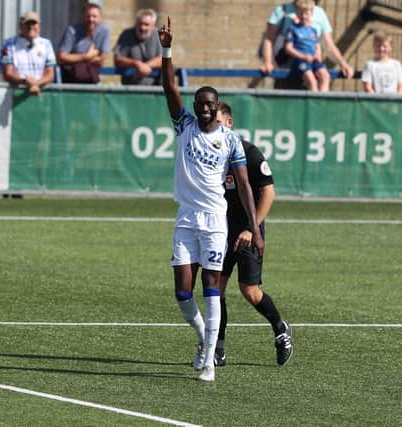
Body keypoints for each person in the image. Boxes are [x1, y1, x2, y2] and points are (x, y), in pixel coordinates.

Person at [159, 16, 264, 382]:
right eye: (200, 103)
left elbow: (247, 186)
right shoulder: (184, 126)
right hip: (186, 218)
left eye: (210, 105)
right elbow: (167, 85)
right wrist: (167, 50)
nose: (204, 108)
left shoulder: (231, 141)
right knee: (182, 293)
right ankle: (206, 338)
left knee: (212, 289)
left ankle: (208, 360)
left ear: (218, 109)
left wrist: (255, 227)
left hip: (215, 220)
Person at [215, 102, 292, 368]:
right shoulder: (210, 154)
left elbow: (268, 192)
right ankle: (218, 348)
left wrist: (252, 227)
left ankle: (281, 329)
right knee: (215, 289)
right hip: (219, 230)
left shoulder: (248, 152)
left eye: (218, 122)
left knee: (249, 290)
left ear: (229, 123)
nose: (213, 128)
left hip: (249, 229)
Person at [259, 0, 353, 86]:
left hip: (312, 70)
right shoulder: (281, 10)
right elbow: (268, 39)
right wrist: (268, 62)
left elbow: (329, 46)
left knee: (317, 90)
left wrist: (343, 64)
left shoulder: (319, 13)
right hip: (287, 72)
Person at [0, 11, 57, 96]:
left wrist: (35, 84)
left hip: (41, 93)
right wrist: (26, 82)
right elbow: (8, 74)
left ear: (39, 26)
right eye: (27, 23)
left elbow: (50, 74)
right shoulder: (8, 44)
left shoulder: (46, 44)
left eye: (34, 23)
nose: (31, 26)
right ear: (20, 26)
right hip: (15, 94)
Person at [57, 2, 111, 84]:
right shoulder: (71, 31)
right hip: (71, 78)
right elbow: (61, 57)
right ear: (83, 17)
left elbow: (102, 59)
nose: (91, 19)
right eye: (88, 16)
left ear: (100, 18)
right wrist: (86, 57)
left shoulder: (104, 31)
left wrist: (74, 58)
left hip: (92, 77)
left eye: (94, 16)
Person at [283, 0, 330, 92]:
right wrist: (304, 56)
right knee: (312, 81)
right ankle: (314, 104)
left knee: (325, 76)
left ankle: (323, 103)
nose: (304, 16)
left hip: (313, 60)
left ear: (311, 14)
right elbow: (288, 49)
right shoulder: (292, 29)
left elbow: (317, 46)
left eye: (306, 14)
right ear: (297, 13)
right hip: (300, 61)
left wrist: (318, 56)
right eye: (301, 13)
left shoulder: (313, 30)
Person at [113, 8, 162, 85]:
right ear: (136, 23)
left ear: (153, 26)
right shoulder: (127, 34)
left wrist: (145, 66)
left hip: (155, 88)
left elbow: (164, 59)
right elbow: (117, 59)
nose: (142, 28)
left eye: (146, 24)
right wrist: (136, 64)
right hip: (130, 87)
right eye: (140, 24)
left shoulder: (158, 35)